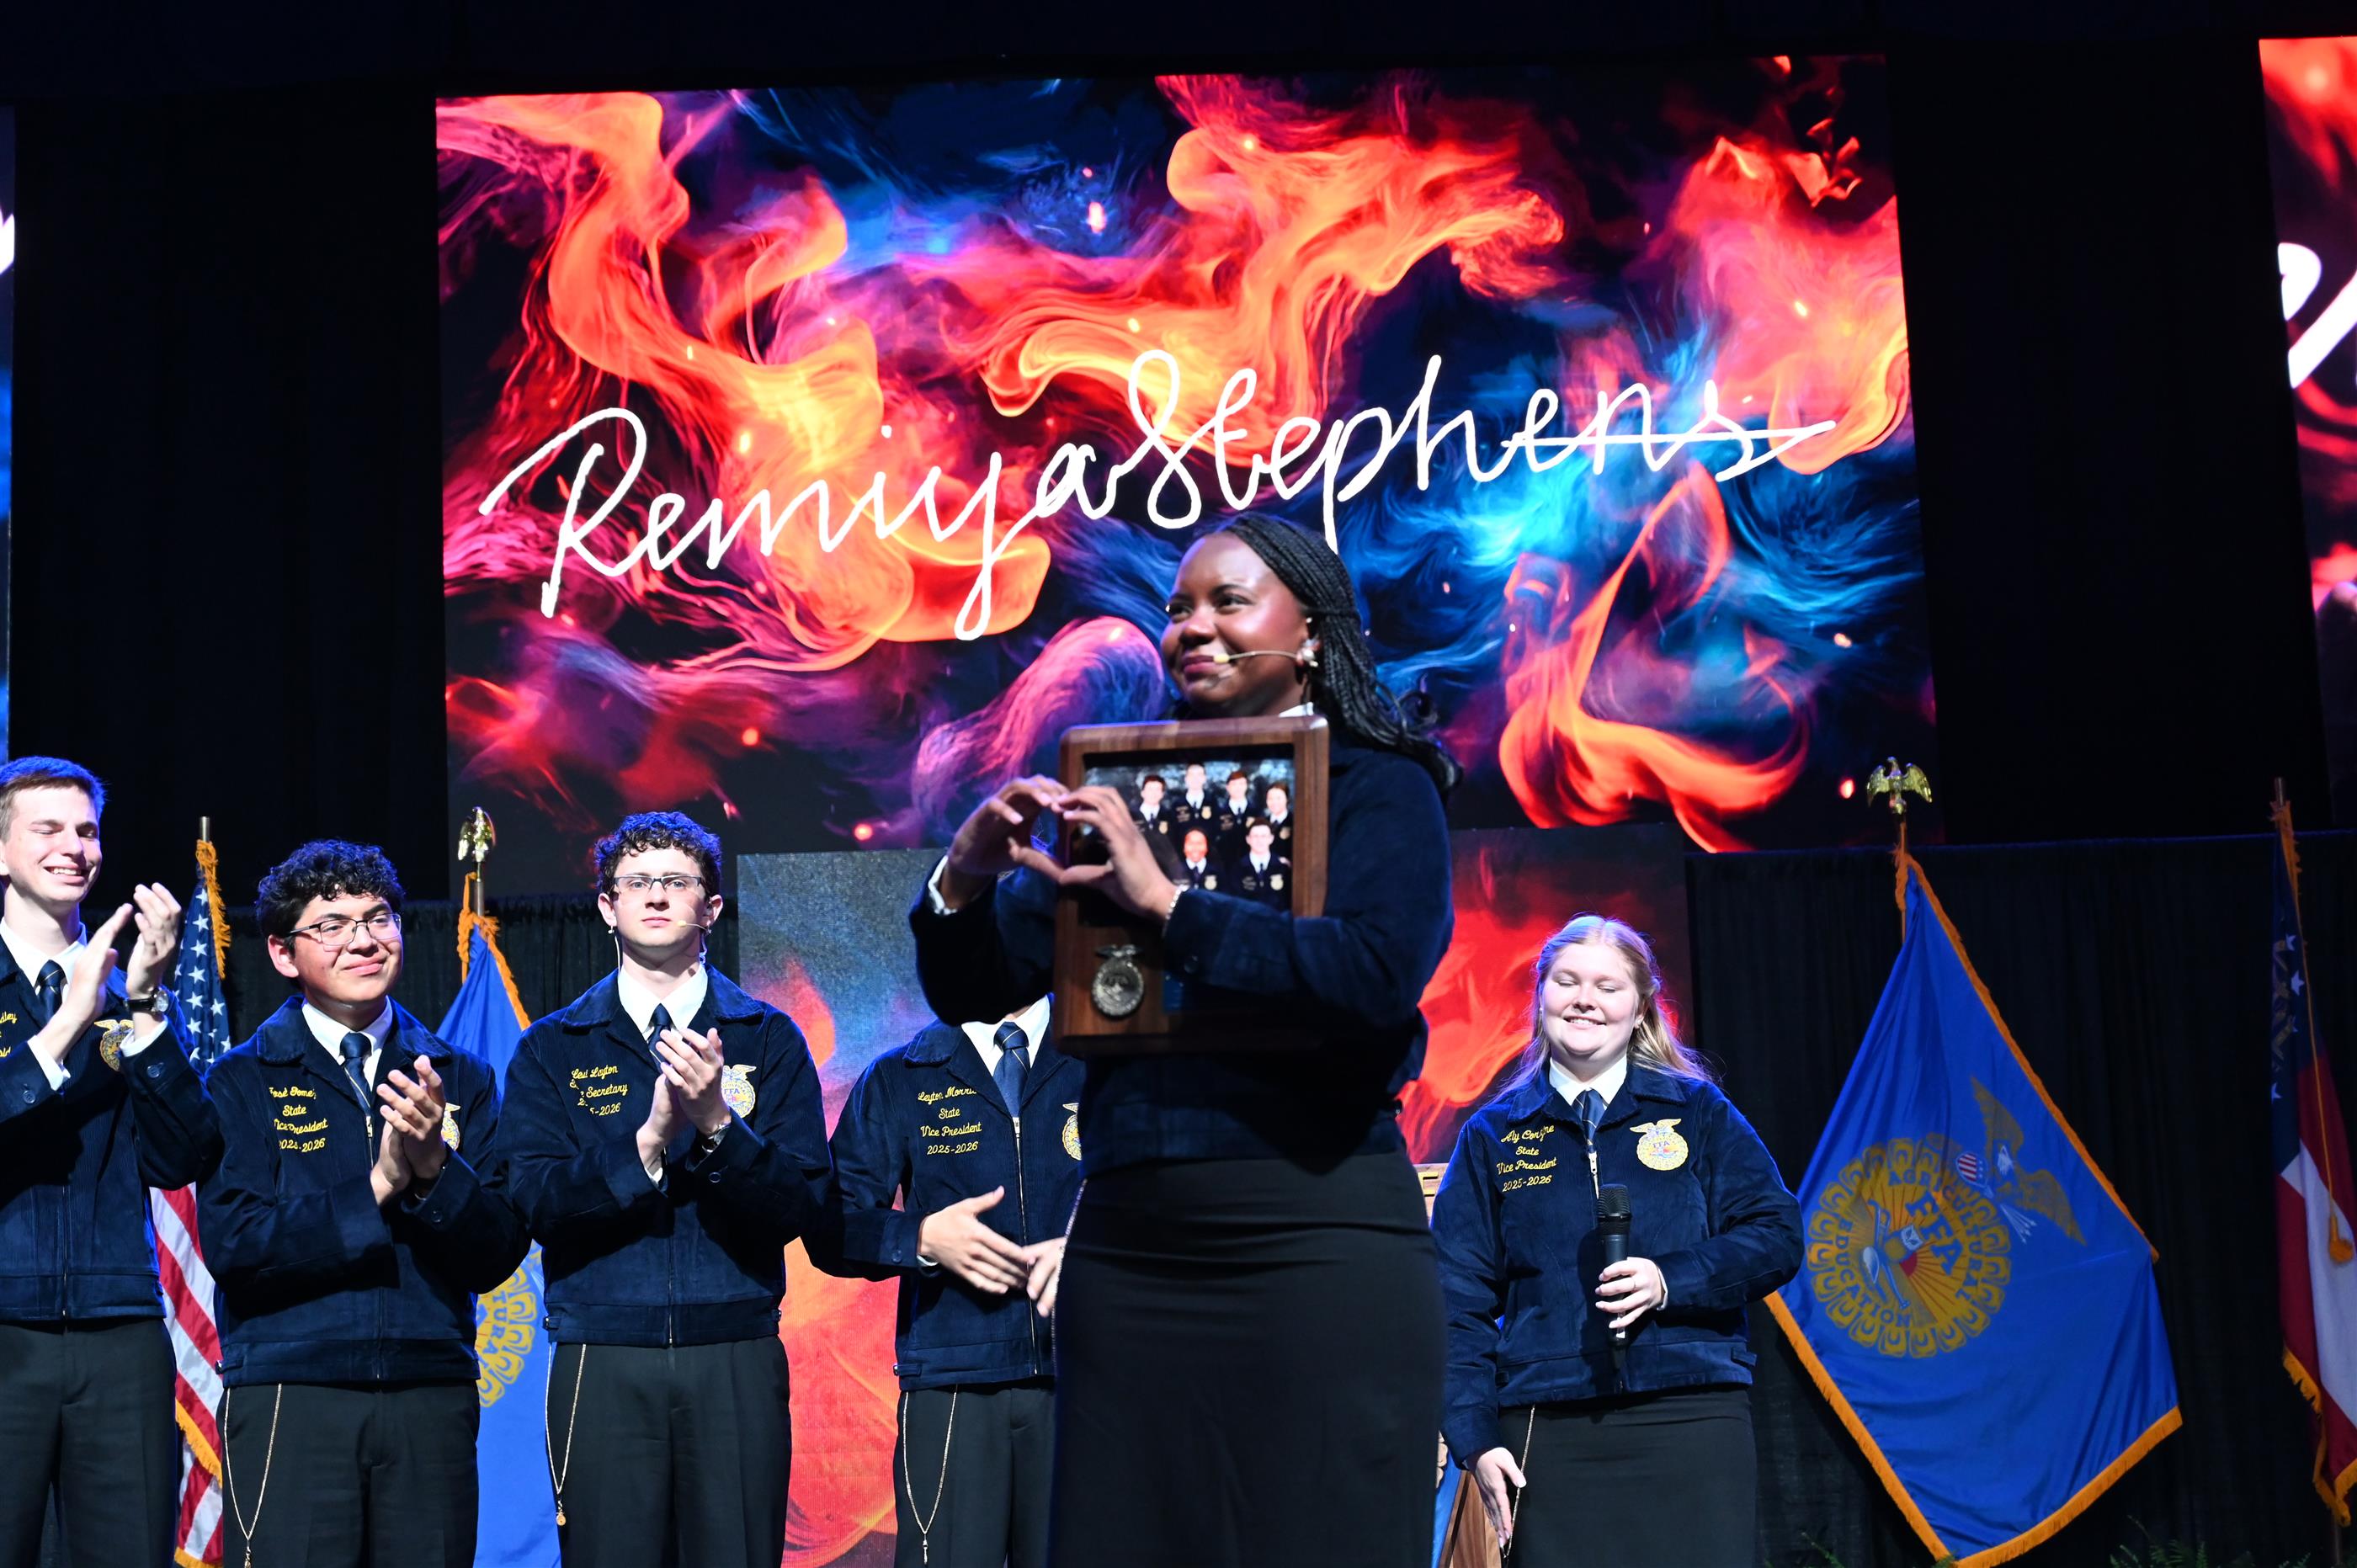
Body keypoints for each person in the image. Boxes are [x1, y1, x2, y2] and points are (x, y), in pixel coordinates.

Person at [912, 513, 1459, 1568]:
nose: (1191, 627)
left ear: (1310, 631)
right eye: (1176, 609)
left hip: (1314, 1233)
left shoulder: (1379, 786)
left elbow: (1373, 975)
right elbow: (977, 987)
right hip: (1134, 1254)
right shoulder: (1119, 793)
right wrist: (965, 875)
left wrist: (1168, 906)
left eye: (1227, 603)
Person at [502, 811, 832, 1568]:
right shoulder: (552, 1046)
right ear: (606, 905)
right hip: (602, 1355)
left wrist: (718, 1124)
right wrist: (647, 1142)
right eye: (638, 882)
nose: (656, 896)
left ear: (710, 909)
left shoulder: (767, 1036)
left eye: (676, 882)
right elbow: (534, 1201)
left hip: (735, 1352)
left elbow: (802, 1205)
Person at [1431, 916, 1801, 1567]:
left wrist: (1668, 1280)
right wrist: (1474, 1437)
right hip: (1549, 1428)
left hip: (1692, 1415)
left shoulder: (1697, 1111)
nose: (1585, 1000)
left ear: (1640, 1007)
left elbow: (1776, 1233)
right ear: (1540, 996)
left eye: (1607, 986)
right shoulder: (1493, 1137)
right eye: (1567, 981)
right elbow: (1452, 1300)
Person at [200, 839, 529, 1568]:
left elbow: (498, 1252)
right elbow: (237, 1245)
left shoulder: (459, 1075)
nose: (364, 940)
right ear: (283, 952)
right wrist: (378, 1185)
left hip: (429, 1392)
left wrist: (435, 1169)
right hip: (291, 1393)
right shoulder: (242, 1079)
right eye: (332, 924)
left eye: (379, 918)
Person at [0, 757, 218, 1568]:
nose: (75, 847)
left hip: (120, 1329)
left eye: (87, 830)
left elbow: (184, 1152)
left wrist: (146, 1003)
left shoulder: (129, 993)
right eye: (49, 828)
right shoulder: (83, 998)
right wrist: (67, 1022)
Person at [816, 994, 1083, 1568]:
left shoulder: (1104, 1062)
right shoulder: (901, 1075)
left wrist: (1097, 1249)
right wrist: (921, 1238)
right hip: (952, 1379)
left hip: (1087, 1374)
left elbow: (1174, 1199)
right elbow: (830, 1225)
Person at [1231, 821, 1290, 909]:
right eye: (1255, 836)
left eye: (1263, 836)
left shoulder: (1282, 867)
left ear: (1271, 839)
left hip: (1276, 916)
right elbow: (1235, 900)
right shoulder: (1238, 868)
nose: (1259, 840)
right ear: (1248, 839)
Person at [1210, 770, 1258, 864]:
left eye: (1241, 784)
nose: (1238, 788)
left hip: (1251, 863)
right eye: (1234, 784)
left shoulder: (1256, 811)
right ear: (1227, 787)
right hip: (1225, 862)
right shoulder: (1218, 812)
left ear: (1247, 786)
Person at [1170, 762, 1213, 830]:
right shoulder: (1176, 805)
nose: (1195, 779)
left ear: (1205, 778)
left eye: (1199, 775)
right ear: (1186, 779)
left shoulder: (1213, 802)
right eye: (1191, 775)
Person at [1176, 827, 1219, 891]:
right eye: (1191, 843)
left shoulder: (1217, 870)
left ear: (1207, 847)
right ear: (1184, 848)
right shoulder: (1175, 871)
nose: (1195, 848)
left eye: (1199, 843)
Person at [1263, 780, 1295, 852]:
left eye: (1278, 798)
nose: (1274, 802)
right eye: (1270, 798)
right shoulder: (1263, 823)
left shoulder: (1294, 822)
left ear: (1287, 799)